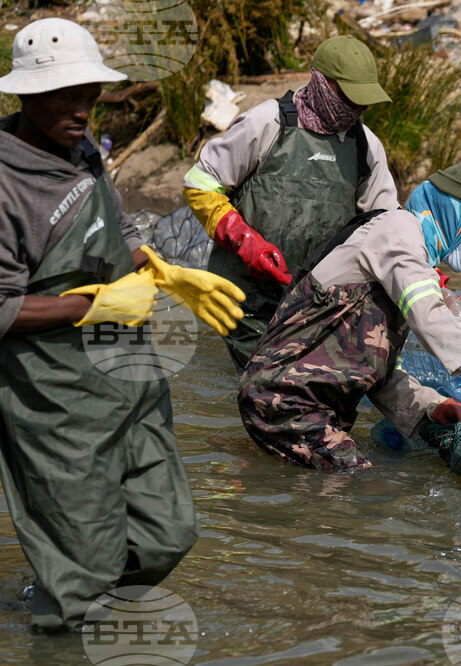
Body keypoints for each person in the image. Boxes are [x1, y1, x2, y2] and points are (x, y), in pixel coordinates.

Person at [0, 18, 245, 630]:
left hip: (130, 382)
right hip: (55, 404)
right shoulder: (6, 186)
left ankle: (68, 600)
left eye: (89, 96)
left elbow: (114, 230)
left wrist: (160, 270)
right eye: (67, 97)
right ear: (26, 96)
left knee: (169, 534)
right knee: (83, 577)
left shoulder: (82, 150)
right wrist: (94, 307)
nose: (82, 111)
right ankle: (62, 621)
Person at [239, 161, 461, 470]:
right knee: (363, 488)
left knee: (363, 487)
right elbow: (432, 319)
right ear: (457, 216)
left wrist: (430, 406)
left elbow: (374, 370)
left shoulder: (407, 258)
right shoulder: (399, 231)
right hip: (284, 400)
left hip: (308, 407)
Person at [183, 35, 399, 369]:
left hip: (316, 303)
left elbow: (386, 225)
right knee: (263, 381)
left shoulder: (366, 146)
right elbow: (200, 183)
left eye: (363, 101)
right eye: (349, 97)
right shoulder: (266, 122)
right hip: (246, 299)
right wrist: (246, 241)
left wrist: (416, 269)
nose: (358, 109)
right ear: (322, 83)